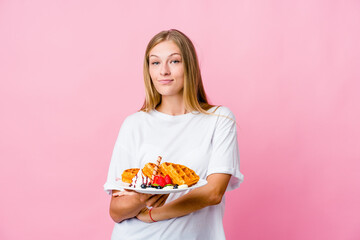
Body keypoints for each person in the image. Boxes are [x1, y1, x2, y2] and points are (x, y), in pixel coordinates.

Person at [104, 29, 244, 240]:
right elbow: (116, 210)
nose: (164, 71)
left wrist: (153, 215)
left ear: (190, 66)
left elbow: (213, 193)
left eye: (175, 61)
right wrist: (143, 195)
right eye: (156, 63)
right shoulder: (134, 124)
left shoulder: (219, 119)